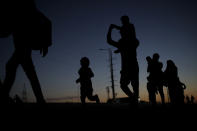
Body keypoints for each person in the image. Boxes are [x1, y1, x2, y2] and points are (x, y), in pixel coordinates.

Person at [0, 0, 52, 104]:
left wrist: (45, 43)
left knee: (12, 66)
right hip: (22, 48)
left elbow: (48, 23)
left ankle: (4, 96)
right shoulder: (17, 14)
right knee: (30, 74)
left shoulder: (30, 12)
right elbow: (7, 31)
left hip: (24, 47)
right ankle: (40, 100)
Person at [107, 16, 139, 104]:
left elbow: (129, 30)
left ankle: (134, 99)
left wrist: (112, 28)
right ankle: (133, 98)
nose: (121, 33)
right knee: (125, 85)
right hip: (127, 67)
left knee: (134, 86)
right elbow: (109, 41)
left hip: (132, 66)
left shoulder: (132, 40)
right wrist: (112, 28)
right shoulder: (124, 42)